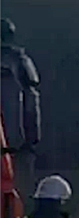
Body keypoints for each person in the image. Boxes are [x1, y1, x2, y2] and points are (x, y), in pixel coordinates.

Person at [0, 17, 41, 193]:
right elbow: (32, 105)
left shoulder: (19, 62)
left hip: (16, 147)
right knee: (19, 201)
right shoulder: (21, 61)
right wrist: (31, 141)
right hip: (19, 147)